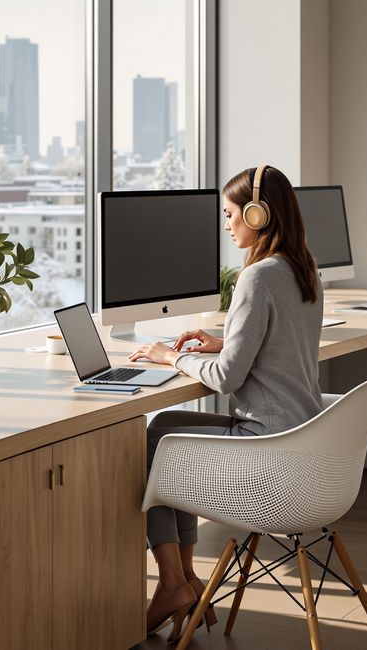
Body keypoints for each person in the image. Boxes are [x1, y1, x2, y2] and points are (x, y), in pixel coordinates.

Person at [128, 165, 325, 639]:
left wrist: (171, 356)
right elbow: (279, 344)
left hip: (267, 449)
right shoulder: (304, 270)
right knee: (168, 432)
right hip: (307, 444)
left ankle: (173, 582)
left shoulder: (257, 277)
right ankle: (186, 579)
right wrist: (224, 339)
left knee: (158, 436)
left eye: (231, 213)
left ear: (259, 215)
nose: (226, 224)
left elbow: (226, 378)